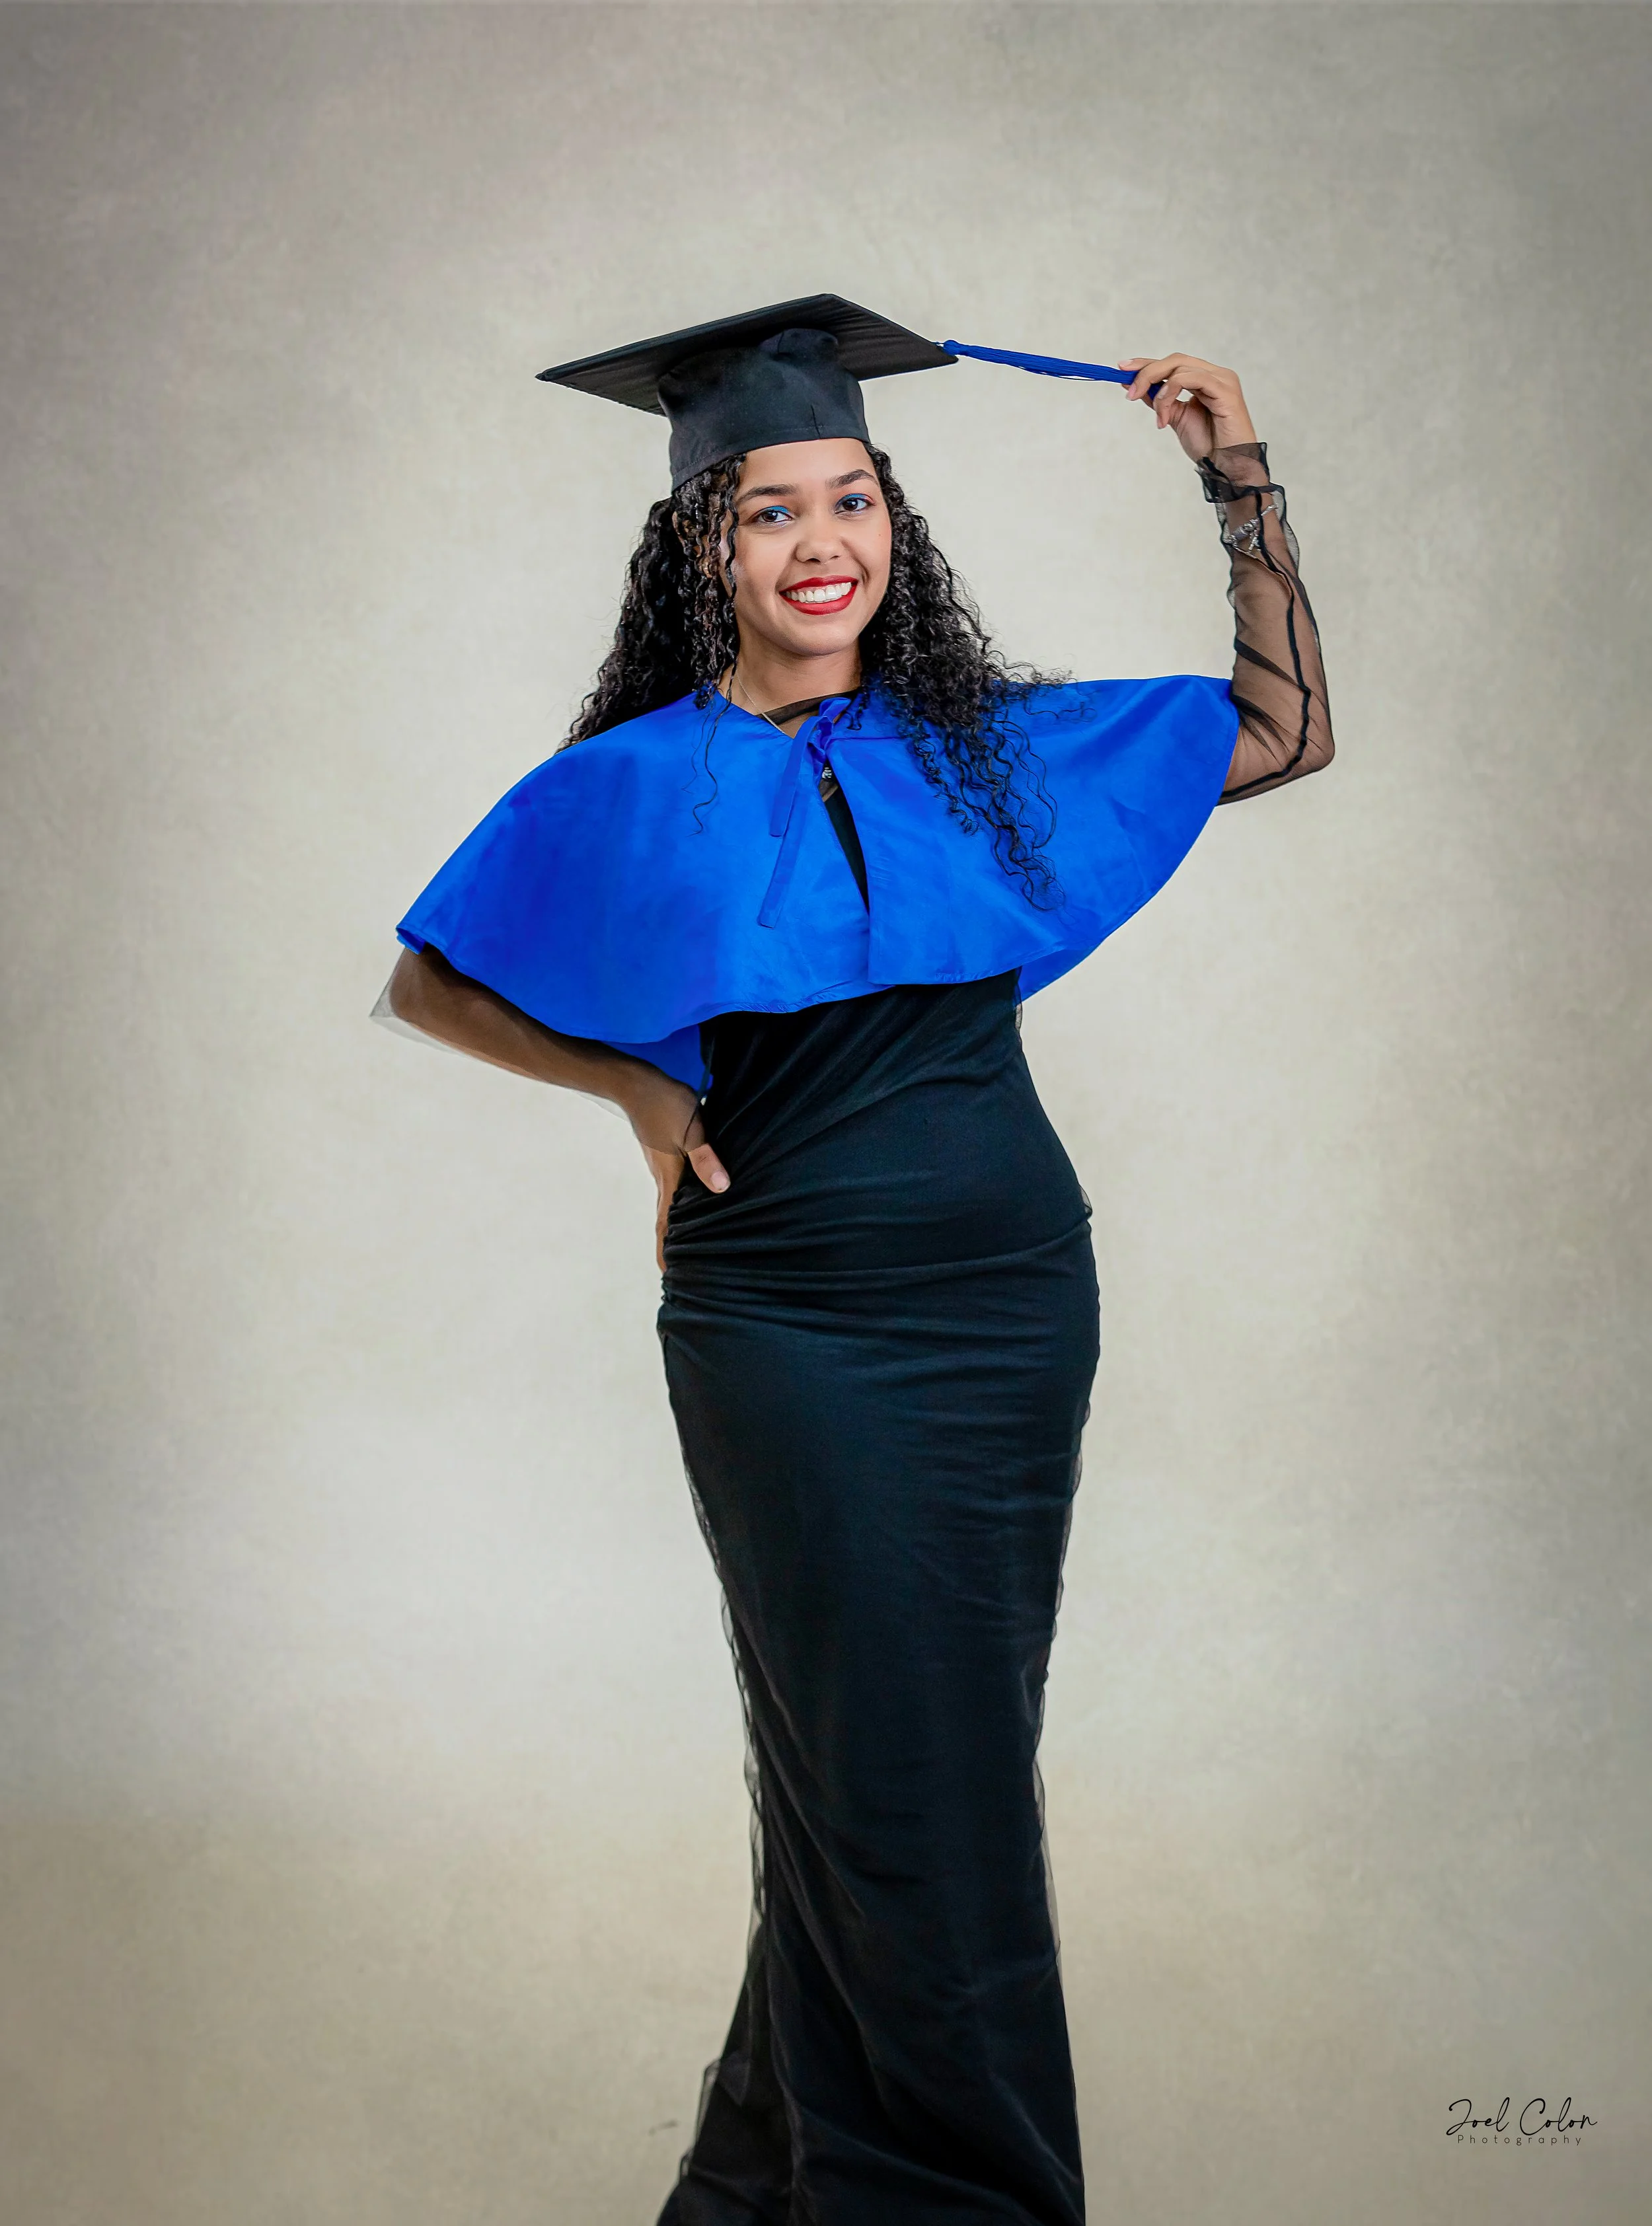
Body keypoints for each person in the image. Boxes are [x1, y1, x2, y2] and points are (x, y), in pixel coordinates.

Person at [378, 297, 1332, 2225]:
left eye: (852, 500)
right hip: (789, 1323)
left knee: (899, 1771)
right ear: (695, 548)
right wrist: (639, 1102)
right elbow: (431, 978)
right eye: (765, 511)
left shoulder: (988, 750)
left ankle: (748, 2197)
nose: (821, 544)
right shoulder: (627, 781)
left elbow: (1282, 728)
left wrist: (1234, 479)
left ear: (895, 523)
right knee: (913, 1795)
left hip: (1007, 1304)